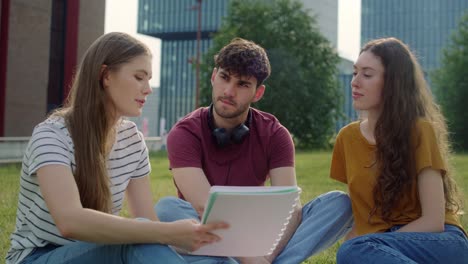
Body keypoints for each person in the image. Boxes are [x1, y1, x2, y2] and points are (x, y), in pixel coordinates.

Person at [6, 32, 229, 264]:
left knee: (213, 259)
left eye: (149, 79)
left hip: (100, 254)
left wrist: (192, 240)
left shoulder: (132, 140)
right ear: (105, 75)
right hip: (37, 258)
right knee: (137, 237)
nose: (148, 89)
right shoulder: (52, 135)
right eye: (139, 77)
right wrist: (169, 232)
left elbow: (148, 223)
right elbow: (69, 221)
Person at [155, 37, 353, 264]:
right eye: (224, 78)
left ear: (258, 93)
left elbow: (290, 208)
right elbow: (204, 207)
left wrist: (264, 257)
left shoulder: (276, 134)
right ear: (213, 77)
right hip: (206, 229)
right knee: (168, 208)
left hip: (259, 231)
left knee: (339, 204)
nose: (229, 91)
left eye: (242, 84)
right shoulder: (184, 132)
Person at [330, 37, 468, 263]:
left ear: (393, 82)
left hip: (439, 242)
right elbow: (364, 213)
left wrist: (371, 245)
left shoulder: (420, 131)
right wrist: (364, 246)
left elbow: (434, 221)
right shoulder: (347, 138)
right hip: (381, 245)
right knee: (350, 252)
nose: (355, 82)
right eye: (355, 73)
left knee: (354, 251)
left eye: (367, 74)